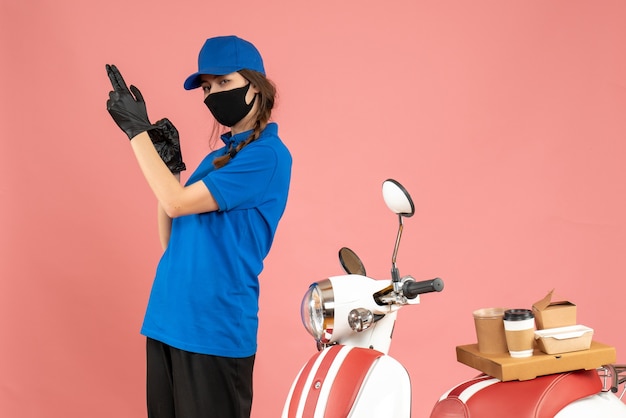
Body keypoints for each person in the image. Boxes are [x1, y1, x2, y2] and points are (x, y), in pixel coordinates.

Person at [105, 35, 292, 418]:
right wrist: (170, 165)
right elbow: (171, 235)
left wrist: (137, 134)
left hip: (215, 330)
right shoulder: (217, 157)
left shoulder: (267, 155)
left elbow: (175, 202)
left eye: (224, 82)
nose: (212, 93)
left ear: (255, 85)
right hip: (167, 320)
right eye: (207, 87)